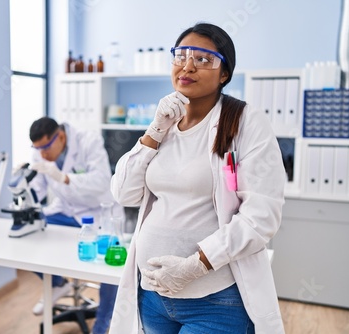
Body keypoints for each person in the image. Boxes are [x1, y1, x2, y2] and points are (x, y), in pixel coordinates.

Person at [109, 23, 286, 334]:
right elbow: (124, 193)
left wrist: (195, 266)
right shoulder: (165, 123)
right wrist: (154, 130)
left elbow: (262, 217)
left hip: (215, 300)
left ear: (224, 74)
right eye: (181, 56)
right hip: (152, 296)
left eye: (204, 59)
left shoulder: (246, 121)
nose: (187, 66)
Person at [25, 116, 123, 334]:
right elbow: (38, 187)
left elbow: (101, 180)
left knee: (110, 266)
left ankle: (102, 324)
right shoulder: (41, 150)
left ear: (60, 137)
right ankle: (57, 283)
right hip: (66, 209)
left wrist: (65, 178)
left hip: (99, 212)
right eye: (37, 149)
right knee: (28, 232)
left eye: (45, 148)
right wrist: (23, 187)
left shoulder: (88, 141)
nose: (42, 154)